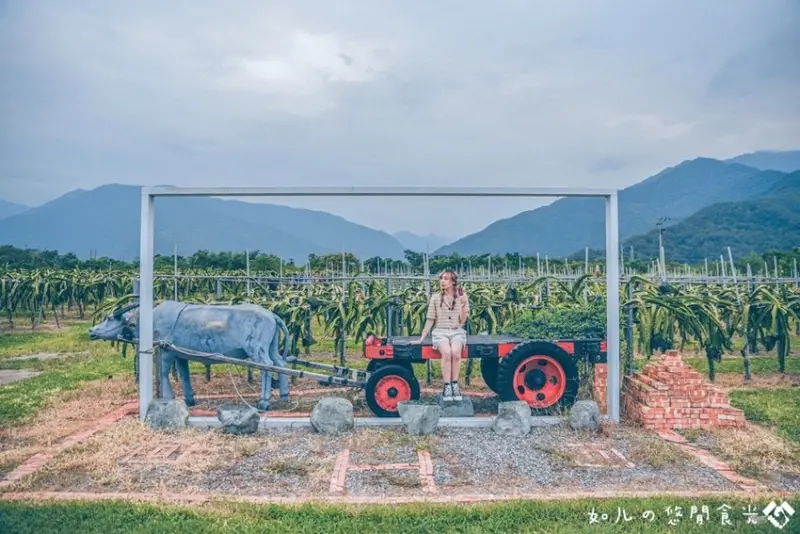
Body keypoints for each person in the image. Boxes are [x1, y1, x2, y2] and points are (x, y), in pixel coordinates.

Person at [410, 270, 469, 401]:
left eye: (446, 279)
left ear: (453, 282)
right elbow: (430, 319)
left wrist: (464, 305)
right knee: (447, 353)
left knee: (456, 352)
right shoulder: (435, 298)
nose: (442, 281)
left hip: (456, 331)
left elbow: (462, 320)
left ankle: (455, 385)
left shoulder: (461, 296)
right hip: (440, 331)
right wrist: (421, 339)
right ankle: (447, 385)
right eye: (441, 278)